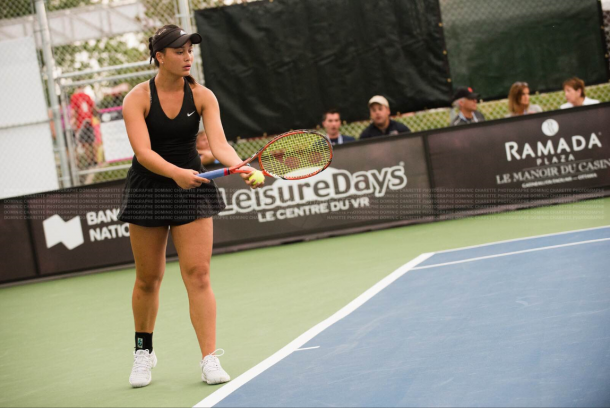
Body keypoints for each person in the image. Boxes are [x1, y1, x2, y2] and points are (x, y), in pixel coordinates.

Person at [117, 24, 263, 388]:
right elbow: (143, 153)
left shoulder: (202, 96)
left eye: (190, 50)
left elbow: (220, 144)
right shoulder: (137, 98)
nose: (187, 57)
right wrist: (176, 173)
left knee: (198, 275)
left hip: (192, 188)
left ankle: (209, 359)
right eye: (179, 51)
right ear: (159, 56)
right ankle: (143, 352)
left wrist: (242, 166)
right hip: (150, 187)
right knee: (148, 279)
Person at [70, 86, 99, 167]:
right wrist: (97, 115)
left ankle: (90, 162)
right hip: (89, 120)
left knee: (85, 142)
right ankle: (95, 160)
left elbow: (74, 111)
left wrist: (75, 123)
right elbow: (93, 108)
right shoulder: (87, 96)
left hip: (81, 123)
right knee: (92, 141)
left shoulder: (74, 97)